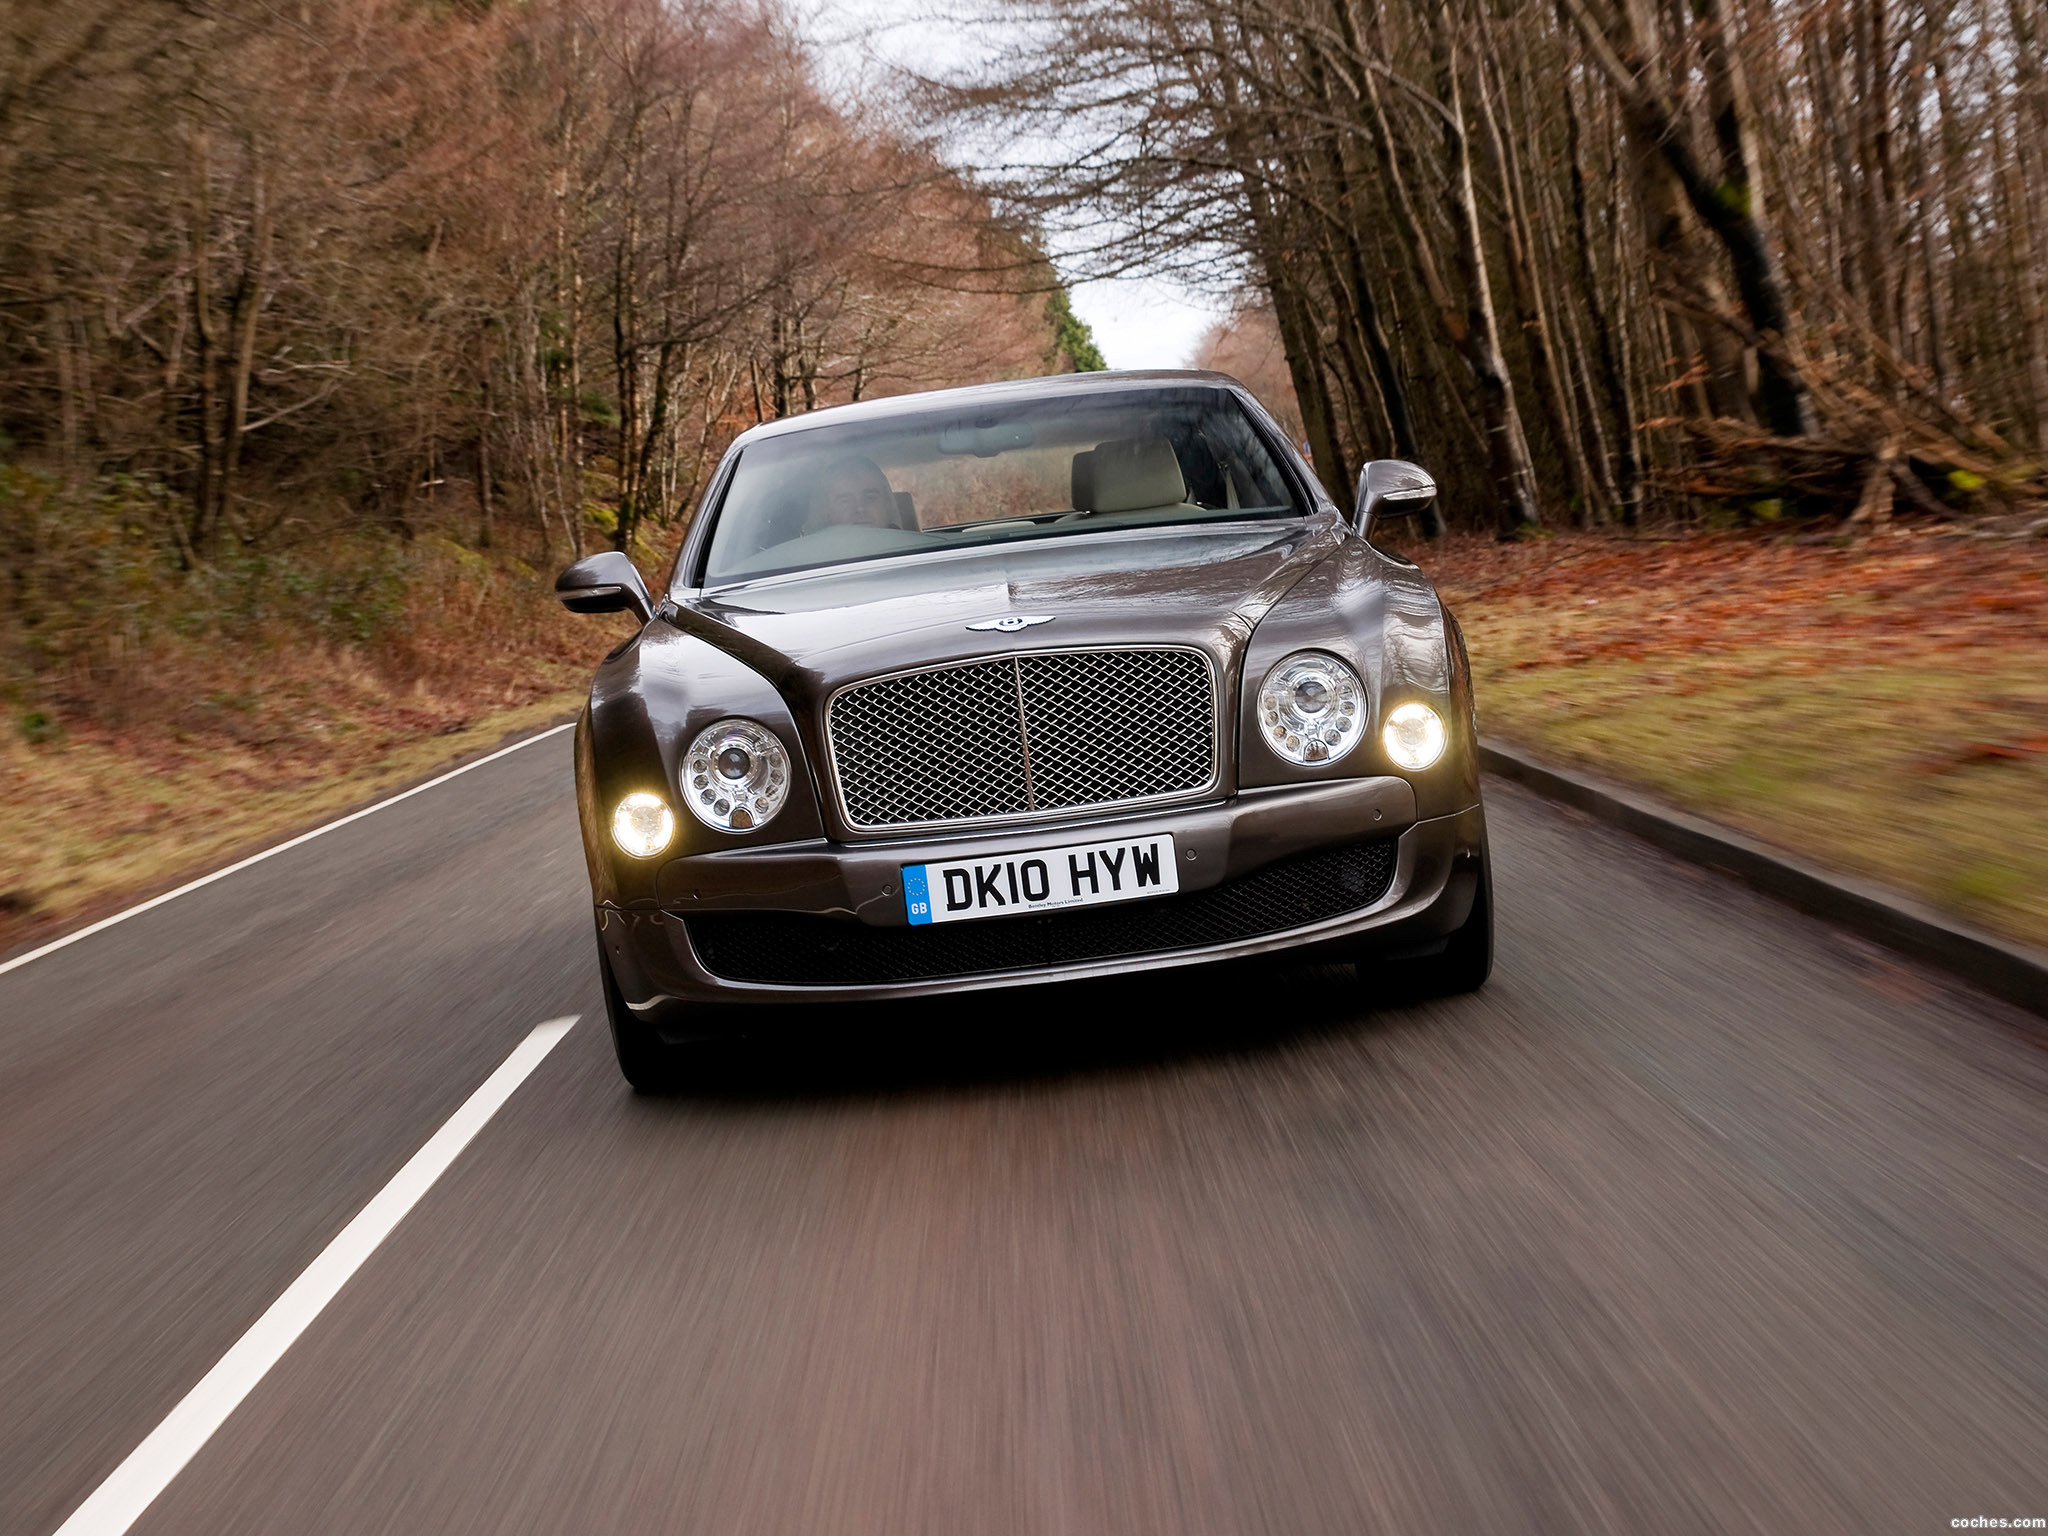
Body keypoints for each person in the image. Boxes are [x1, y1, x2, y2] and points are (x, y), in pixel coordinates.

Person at [807, 455, 909, 533]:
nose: (860, 508)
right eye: (845, 501)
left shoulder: (917, 552)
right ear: (826, 511)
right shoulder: (811, 560)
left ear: (888, 503)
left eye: (870, 498)